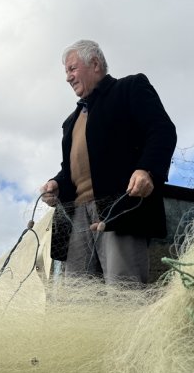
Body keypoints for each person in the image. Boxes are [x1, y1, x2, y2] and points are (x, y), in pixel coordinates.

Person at [40, 39, 176, 288]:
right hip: (76, 218)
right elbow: (69, 169)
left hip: (120, 208)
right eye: (66, 72)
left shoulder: (129, 88)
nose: (68, 78)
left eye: (72, 69)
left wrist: (147, 169)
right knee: (75, 299)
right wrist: (56, 184)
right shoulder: (70, 121)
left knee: (123, 294)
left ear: (94, 64)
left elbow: (162, 130)